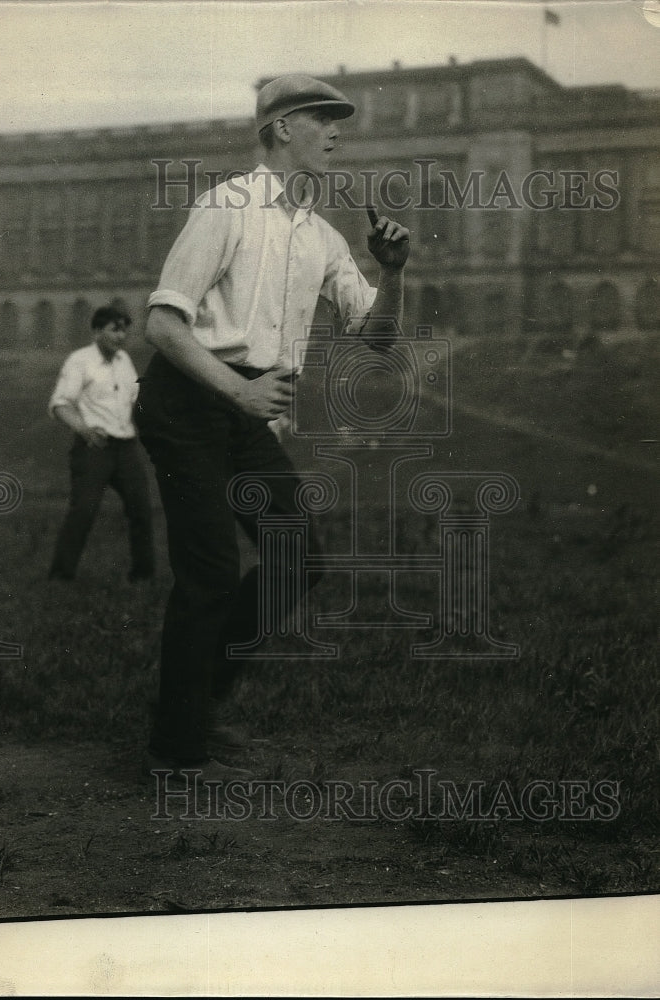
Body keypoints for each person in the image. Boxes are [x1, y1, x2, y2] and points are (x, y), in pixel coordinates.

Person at [136, 74, 410, 780]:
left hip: (246, 410)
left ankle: (198, 701)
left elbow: (377, 336)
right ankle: (177, 745)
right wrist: (238, 390)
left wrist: (395, 271)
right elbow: (164, 323)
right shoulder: (224, 206)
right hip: (189, 401)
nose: (337, 133)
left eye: (338, 122)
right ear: (282, 126)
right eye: (323, 119)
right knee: (211, 574)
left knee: (298, 559)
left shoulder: (318, 236)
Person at [48, 304, 155, 583]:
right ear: (96, 332)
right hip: (95, 448)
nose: (121, 337)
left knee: (142, 510)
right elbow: (61, 405)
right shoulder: (80, 360)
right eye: (114, 330)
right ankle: (61, 576)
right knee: (83, 511)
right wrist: (84, 430)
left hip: (127, 448)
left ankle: (143, 575)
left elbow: (136, 400)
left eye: (124, 330)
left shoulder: (124, 361)